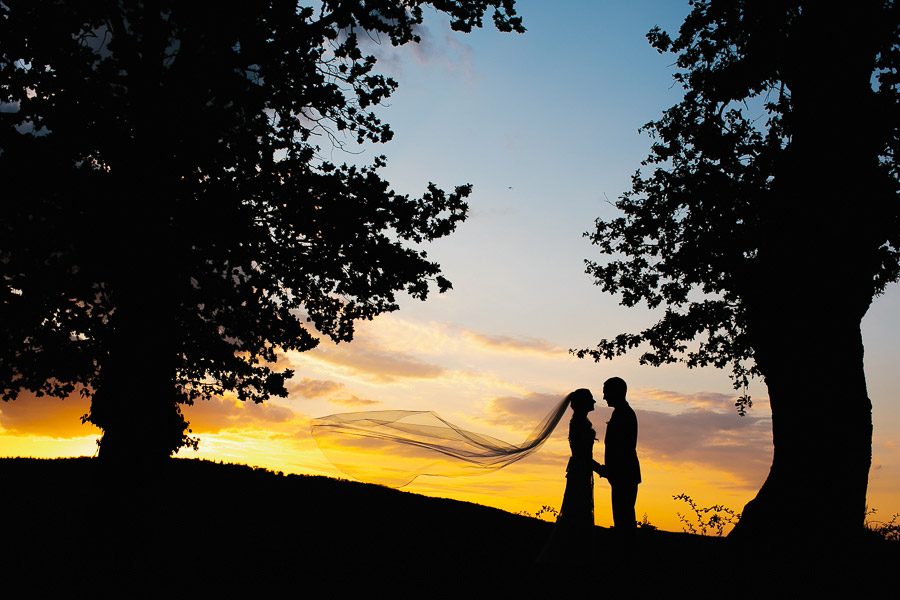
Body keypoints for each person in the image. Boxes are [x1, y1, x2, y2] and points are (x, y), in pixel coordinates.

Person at [538, 388, 597, 562]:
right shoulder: (579, 422)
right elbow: (581, 453)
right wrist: (600, 468)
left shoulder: (581, 421)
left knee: (580, 506)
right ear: (583, 403)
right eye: (591, 399)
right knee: (577, 506)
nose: (594, 402)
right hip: (580, 469)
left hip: (582, 468)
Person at [593, 377, 641, 530]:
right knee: (622, 517)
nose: (604, 397)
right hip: (622, 474)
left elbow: (622, 448)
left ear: (617, 392)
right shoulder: (620, 413)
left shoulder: (624, 414)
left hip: (624, 474)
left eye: (606, 392)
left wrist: (609, 470)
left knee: (624, 519)